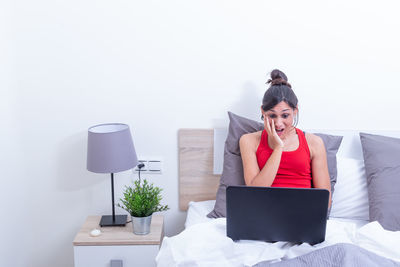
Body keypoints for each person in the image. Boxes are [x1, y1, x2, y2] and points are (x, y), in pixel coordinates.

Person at [239, 69, 331, 207]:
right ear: (262, 112)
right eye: (272, 115)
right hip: (264, 212)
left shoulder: (314, 143)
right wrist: (278, 148)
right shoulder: (248, 141)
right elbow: (255, 191)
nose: (278, 123)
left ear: (295, 111)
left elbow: (326, 201)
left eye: (285, 115)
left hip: (302, 213)